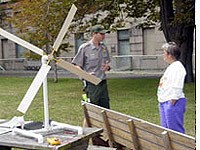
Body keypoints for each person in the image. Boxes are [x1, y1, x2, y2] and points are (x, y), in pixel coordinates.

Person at [72, 24, 111, 109]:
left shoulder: (103, 47)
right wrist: (86, 75)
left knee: (105, 110)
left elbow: (107, 63)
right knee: (91, 110)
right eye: (101, 34)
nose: (103, 36)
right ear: (94, 34)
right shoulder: (85, 48)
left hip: (102, 82)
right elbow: (76, 66)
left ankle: (103, 123)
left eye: (104, 34)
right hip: (91, 84)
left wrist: (107, 67)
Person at [157, 42, 186, 133]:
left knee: (175, 130)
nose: (163, 55)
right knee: (166, 129)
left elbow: (177, 85)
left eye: (164, 52)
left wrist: (173, 100)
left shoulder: (178, 67)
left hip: (172, 102)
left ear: (170, 55)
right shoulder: (172, 67)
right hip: (164, 101)